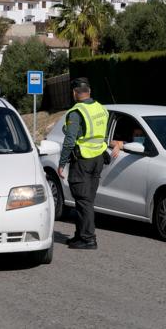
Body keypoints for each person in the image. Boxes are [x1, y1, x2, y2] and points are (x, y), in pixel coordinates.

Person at [57, 77, 109, 250]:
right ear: (90, 91)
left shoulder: (76, 112)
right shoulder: (100, 108)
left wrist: (62, 163)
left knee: (83, 199)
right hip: (98, 159)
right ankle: (80, 235)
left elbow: (70, 140)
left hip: (83, 160)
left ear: (74, 92)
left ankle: (88, 239)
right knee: (87, 199)